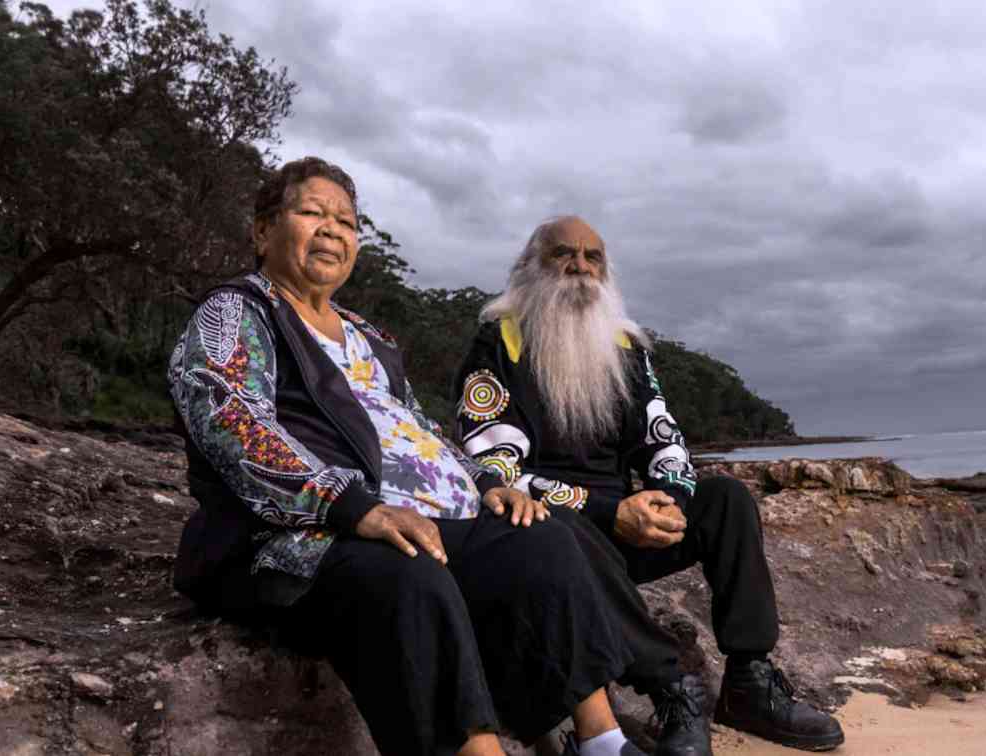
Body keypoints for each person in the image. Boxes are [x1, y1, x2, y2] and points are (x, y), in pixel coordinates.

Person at [168, 160, 647, 756]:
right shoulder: (240, 313)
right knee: (411, 572)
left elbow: (421, 433)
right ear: (264, 230)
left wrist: (483, 481)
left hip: (417, 517)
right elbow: (229, 421)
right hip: (295, 537)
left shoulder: (369, 337)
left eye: (345, 221)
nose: (332, 231)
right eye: (312, 213)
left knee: (539, 538)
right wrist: (353, 507)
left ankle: (601, 742)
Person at [454, 216, 846, 752]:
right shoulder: (498, 343)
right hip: (556, 535)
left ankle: (749, 680)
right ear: (530, 268)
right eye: (564, 254)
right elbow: (494, 468)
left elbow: (664, 438)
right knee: (558, 528)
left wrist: (671, 500)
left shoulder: (625, 346)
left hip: (629, 526)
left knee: (726, 500)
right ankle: (669, 686)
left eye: (594, 257)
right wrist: (604, 511)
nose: (581, 267)